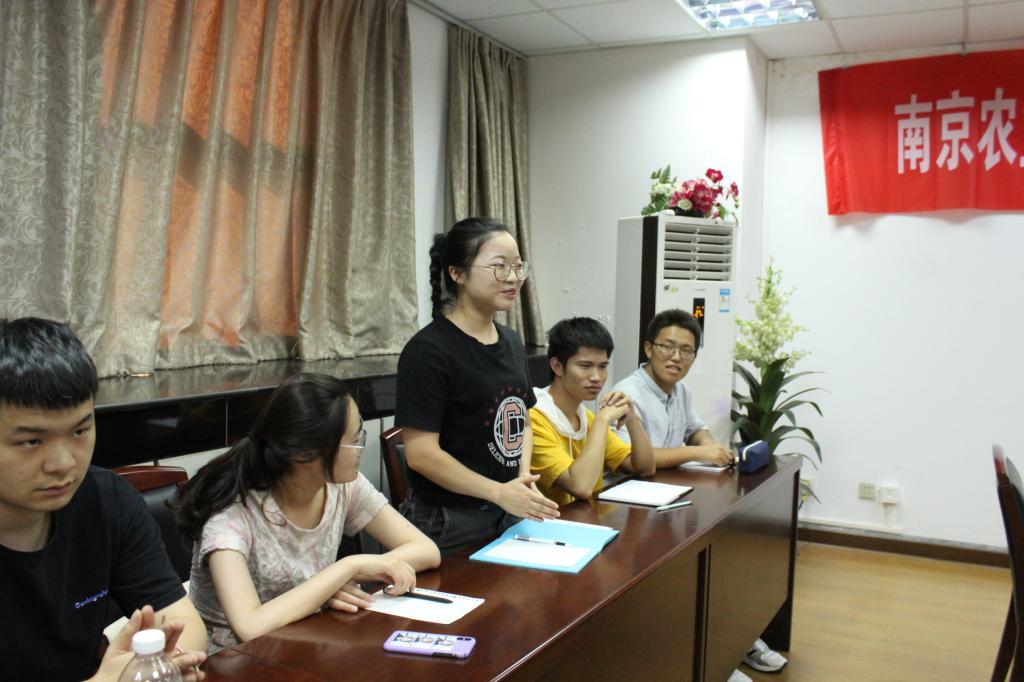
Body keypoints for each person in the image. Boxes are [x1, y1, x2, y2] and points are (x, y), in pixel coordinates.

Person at [0, 317, 207, 682]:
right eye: (31, 441)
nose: (63, 464)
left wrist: (159, 668)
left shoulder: (107, 501)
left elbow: (182, 622)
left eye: (80, 430)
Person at [175, 373, 440, 652]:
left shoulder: (342, 487)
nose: (361, 447)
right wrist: (348, 568)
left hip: (302, 644)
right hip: (235, 660)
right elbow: (250, 626)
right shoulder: (231, 516)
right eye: (354, 440)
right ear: (305, 454)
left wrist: (327, 586)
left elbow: (426, 550)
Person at [612, 309, 788, 679]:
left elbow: (696, 429)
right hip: (629, 508)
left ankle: (730, 644)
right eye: (668, 347)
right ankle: (709, 658)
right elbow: (632, 460)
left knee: (726, 555)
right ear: (648, 348)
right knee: (690, 575)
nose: (676, 357)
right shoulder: (627, 394)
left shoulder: (681, 390)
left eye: (687, 351)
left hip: (670, 499)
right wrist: (698, 453)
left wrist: (710, 447)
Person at [396, 217, 559, 554]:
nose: (513, 277)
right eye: (499, 266)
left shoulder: (511, 341)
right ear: (457, 273)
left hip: (507, 509)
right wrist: (499, 492)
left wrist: (520, 481)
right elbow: (421, 455)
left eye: (518, 266)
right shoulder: (428, 350)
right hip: (448, 521)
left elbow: (524, 420)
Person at [529, 317, 656, 505]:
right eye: (585, 366)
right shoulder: (533, 418)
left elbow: (645, 468)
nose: (597, 377)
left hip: (588, 519)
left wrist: (632, 418)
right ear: (557, 366)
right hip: (550, 521)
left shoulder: (585, 416)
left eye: (603, 366)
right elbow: (580, 487)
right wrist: (602, 421)